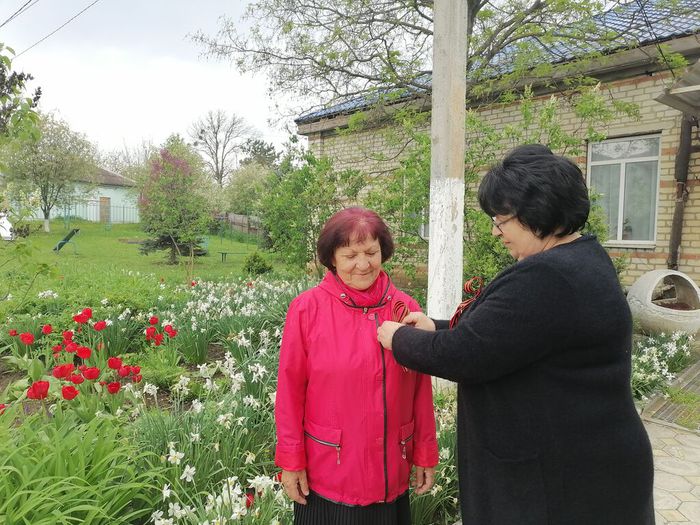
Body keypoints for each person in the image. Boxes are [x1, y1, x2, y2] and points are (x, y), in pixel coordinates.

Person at [378, 144, 655, 525]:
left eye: (501, 220)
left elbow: (468, 355)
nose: (497, 232)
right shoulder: (581, 259)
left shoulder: (549, 277)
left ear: (535, 213)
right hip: (587, 465)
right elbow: (513, 335)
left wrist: (399, 339)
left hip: (559, 485)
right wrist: (436, 327)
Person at [275, 206, 439, 525]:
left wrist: (425, 451)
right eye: (351, 255)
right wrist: (291, 461)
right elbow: (290, 391)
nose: (363, 265)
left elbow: (420, 390)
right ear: (332, 258)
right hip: (328, 476)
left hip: (391, 471)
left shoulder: (404, 309)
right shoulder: (307, 310)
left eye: (371, 252)